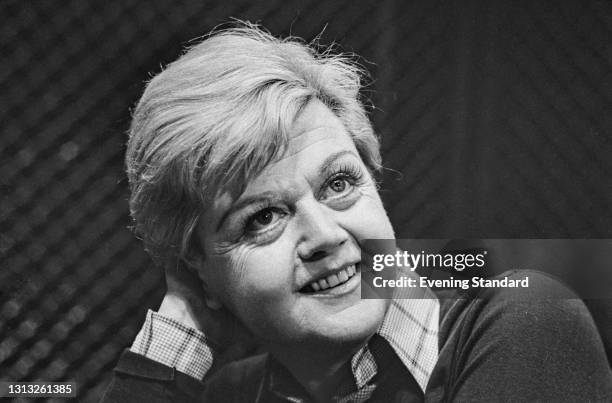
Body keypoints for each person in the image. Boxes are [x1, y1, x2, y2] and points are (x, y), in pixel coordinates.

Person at [102, 23, 612, 402]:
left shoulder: (525, 322)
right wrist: (170, 350)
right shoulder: (229, 394)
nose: (323, 234)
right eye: (262, 217)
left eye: (340, 183)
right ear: (199, 269)